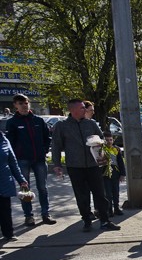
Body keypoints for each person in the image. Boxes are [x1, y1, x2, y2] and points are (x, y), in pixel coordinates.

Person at [51, 99, 120, 232]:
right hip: (75, 166)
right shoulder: (62, 125)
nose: (85, 110)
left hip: (93, 165)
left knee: (100, 194)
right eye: (82, 108)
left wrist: (100, 146)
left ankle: (105, 220)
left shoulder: (90, 124)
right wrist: (57, 164)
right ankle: (87, 221)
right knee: (82, 195)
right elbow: (56, 146)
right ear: (73, 110)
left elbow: (102, 140)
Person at [5, 93, 56, 226]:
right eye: (21, 104)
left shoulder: (38, 120)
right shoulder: (12, 122)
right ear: (15, 106)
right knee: (25, 189)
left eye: (26, 103)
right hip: (22, 160)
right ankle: (29, 216)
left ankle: (46, 214)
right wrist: (16, 156)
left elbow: (47, 137)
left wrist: (44, 150)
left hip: (39, 159)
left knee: (43, 188)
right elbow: (10, 143)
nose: (24, 106)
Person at [0, 132, 28, 243]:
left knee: (5, 209)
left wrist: (21, 180)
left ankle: (8, 234)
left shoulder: (4, 140)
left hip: (4, 181)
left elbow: (13, 162)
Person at [100, 131, 126, 216]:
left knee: (116, 192)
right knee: (107, 193)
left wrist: (122, 174)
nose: (109, 142)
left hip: (115, 173)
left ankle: (117, 208)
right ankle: (109, 209)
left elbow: (120, 162)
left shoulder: (116, 149)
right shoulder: (101, 150)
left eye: (110, 140)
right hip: (105, 173)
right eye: (107, 140)